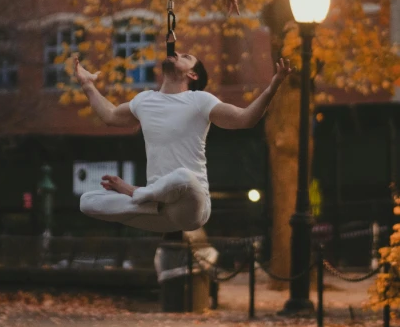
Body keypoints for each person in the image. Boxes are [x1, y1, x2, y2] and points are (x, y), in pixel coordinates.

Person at [75, 51, 292, 234]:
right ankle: (144, 197)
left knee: (183, 176)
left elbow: (245, 119)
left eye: (185, 56)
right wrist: (87, 85)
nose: (176, 53)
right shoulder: (144, 100)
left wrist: (273, 87)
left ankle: (136, 192)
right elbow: (110, 115)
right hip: (159, 212)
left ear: (192, 74)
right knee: (87, 200)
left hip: (190, 207)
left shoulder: (200, 100)